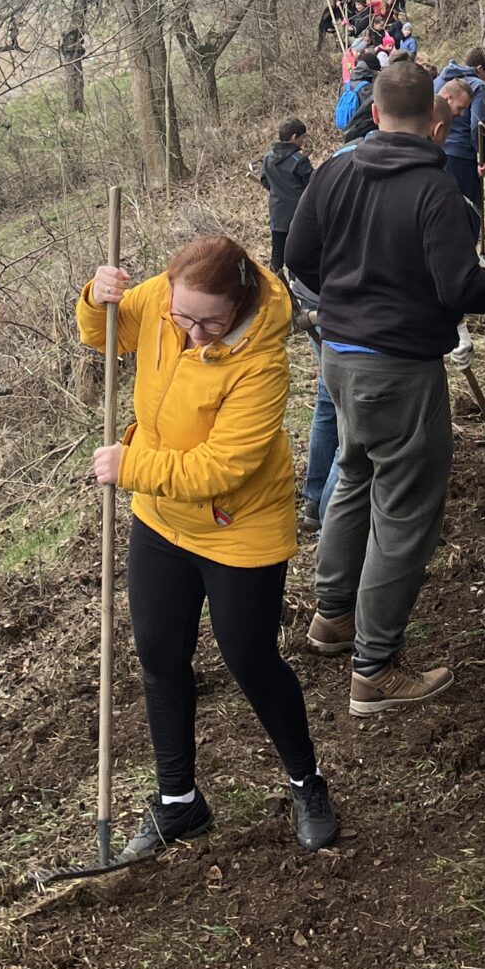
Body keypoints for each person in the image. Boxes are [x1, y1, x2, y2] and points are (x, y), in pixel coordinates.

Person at [283, 61, 485, 715]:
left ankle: (333, 617)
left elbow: (298, 258)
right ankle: (375, 669)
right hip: (399, 370)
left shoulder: (333, 172)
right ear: (437, 125)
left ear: (375, 115)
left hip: (340, 360)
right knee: (405, 513)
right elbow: (460, 285)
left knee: (354, 476)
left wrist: (350, 293)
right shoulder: (435, 191)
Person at [77, 234, 340, 858]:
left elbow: (223, 468)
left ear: (239, 305)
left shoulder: (262, 363)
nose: (193, 334)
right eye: (183, 319)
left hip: (238, 526)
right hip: (161, 519)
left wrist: (132, 466)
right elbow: (104, 335)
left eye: (210, 324)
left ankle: (307, 783)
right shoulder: (165, 299)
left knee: (250, 658)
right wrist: (96, 298)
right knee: (159, 655)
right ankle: (179, 802)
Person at [433, 46, 485, 230]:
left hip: (437, 152)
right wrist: (483, 158)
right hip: (462, 155)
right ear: (480, 68)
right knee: (471, 212)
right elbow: (478, 125)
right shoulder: (478, 86)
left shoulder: (440, 80)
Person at [253, 116, 313, 275]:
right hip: (298, 215)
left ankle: (275, 286)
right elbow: (312, 186)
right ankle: (295, 285)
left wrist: (277, 192)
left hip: (277, 215)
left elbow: (264, 180)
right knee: (298, 255)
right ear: (294, 137)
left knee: (277, 256)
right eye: (302, 138)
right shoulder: (299, 160)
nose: (303, 142)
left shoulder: (268, 158)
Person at [333, 52, 380, 138]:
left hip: (347, 132)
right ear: (372, 71)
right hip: (364, 134)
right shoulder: (369, 89)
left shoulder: (345, 86)